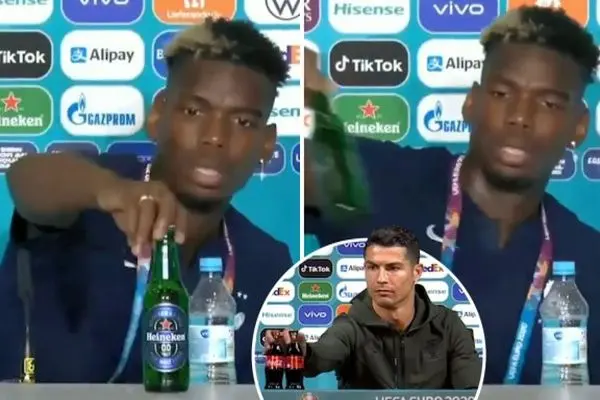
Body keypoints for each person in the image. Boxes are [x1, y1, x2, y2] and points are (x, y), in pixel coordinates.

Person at [304, 6, 600, 385]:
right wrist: (304, 95)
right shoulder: (381, 178)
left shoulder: (589, 261)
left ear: (579, 126)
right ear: (471, 102)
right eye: (502, 93)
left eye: (549, 104)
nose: (520, 116)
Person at [0, 18, 293, 384]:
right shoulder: (91, 190)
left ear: (267, 144)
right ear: (158, 116)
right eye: (194, 111)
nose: (216, 137)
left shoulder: (268, 262)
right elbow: (26, 178)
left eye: (244, 122)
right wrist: (111, 193)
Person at [265, 227, 481, 389]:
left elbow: (471, 390)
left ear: (416, 273)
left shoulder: (449, 325)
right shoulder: (349, 327)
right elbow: (321, 356)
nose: (381, 278)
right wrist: (302, 351)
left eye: (393, 268)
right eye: (373, 267)